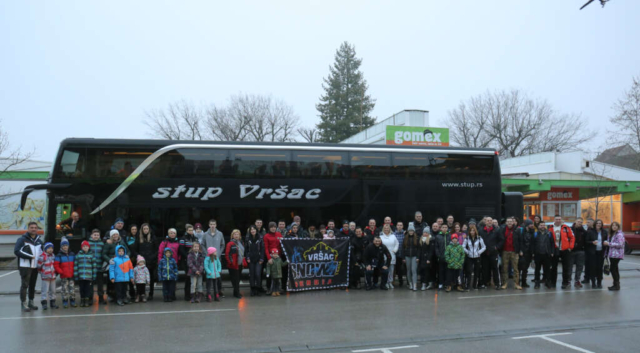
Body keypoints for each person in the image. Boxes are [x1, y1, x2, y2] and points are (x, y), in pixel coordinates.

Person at [14, 221, 43, 312]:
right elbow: (17, 251)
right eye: (32, 227)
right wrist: (30, 256)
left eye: (35, 227)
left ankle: (31, 302)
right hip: (25, 266)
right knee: (25, 285)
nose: (33, 229)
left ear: (37, 229)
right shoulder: (22, 239)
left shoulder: (39, 240)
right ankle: (24, 303)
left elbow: (42, 253)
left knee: (32, 285)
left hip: (35, 266)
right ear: (28, 229)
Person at [547, 215, 575, 289]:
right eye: (557, 219)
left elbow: (572, 237)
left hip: (565, 249)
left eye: (559, 219)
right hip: (554, 249)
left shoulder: (566, 227)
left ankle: (565, 283)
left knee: (566, 268)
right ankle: (553, 283)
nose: (558, 220)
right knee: (553, 268)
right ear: (554, 220)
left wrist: (570, 247)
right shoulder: (550, 227)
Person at [103, 229, 130, 301]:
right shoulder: (108, 243)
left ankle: (122, 295)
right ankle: (111, 295)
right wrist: (109, 260)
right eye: (113, 235)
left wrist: (127, 257)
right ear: (111, 236)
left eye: (116, 234)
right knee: (111, 280)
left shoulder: (121, 242)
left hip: (121, 264)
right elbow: (104, 254)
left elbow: (128, 251)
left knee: (122, 282)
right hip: (112, 264)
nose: (115, 236)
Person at [479, 217, 503, 290]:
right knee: (485, 269)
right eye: (488, 221)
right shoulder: (481, 230)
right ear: (485, 222)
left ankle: (497, 284)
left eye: (490, 221)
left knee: (495, 269)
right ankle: (484, 283)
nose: (489, 222)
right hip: (484, 253)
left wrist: (497, 247)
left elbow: (501, 240)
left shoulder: (497, 230)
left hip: (493, 253)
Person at [136, 223, 158, 301]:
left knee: (151, 279)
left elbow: (156, 250)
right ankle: (141, 294)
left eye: (147, 229)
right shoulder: (138, 238)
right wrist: (139, 257)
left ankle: (151, 293)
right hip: (141, 262)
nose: (145, 230)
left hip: (151, 261)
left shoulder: (153, 238)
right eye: (144, 229)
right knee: (140, 280)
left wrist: (152, 257)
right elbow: (136, 250)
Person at [500, 217, 522, 290]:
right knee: (504, 268)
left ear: (513, 222)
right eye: (508, 221)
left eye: (511, 221)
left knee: (515, 268)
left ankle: (516, 283)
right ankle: (504, 283)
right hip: (505, 251)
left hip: (514, 252)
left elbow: (520, 241)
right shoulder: (502, 230)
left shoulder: (517, 230)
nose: (509, 223)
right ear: (506, 222)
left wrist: (520, 250)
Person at [55, 237, 76, 308]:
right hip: (64, 275)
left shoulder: (72, 254)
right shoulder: (59, 255)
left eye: (66, 245)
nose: (65, 247)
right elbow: (56, 265)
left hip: (71, 275)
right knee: (64, 289)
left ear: (68, 246)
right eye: (63, 246)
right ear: (61, 247)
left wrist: (74, 271)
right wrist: (61, 272)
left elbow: (75, 263)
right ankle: (65, 301)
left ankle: (72, 300)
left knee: (72, 289)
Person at [74, 240, 97, 307]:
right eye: (84, 246)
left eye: (86, 246)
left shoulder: (91, 255)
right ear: (82, 247)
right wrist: (76, 275)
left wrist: (94, 275)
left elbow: (94, 266)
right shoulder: (78, 255)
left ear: (89, 247)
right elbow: (76, 266)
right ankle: (82, 300)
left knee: (88, 289)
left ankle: (87, 300)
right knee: (81, 289)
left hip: (88, 276)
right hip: (81, 276)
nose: (85, 247)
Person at [264, 222, 284, 294]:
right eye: (272, 227)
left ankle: (278, 289)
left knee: (278, 273)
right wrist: (269, 258)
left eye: (274, 227)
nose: (273, 228)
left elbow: (282, 244)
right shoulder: (266, 236)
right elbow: (266, 248)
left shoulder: (279, 234)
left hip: (278, 257)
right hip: (271, 257)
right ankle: (269, 288)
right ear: (269, 228)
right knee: (270, 274)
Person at [604, 221, 625, 291]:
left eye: (616, 225)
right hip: (612, 254)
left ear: (618, 227)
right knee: (615, 269)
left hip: (617, 254)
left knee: (613, 269)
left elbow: (620, 244)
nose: (614, 227)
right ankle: (616, 285)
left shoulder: (619, 234)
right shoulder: (611, 234)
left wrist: (609, 244)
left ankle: (616, 285)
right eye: (613, 225)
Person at [463, 225, 485, 290]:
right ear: (469, 232)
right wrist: (467, 252)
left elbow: (484, 247)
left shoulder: (479, 238)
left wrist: (479, 252)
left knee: (477, 271)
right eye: (471, 231)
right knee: (469, 271)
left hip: (477, 257)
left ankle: (475, 285)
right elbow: (463, 246)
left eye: (473, 231)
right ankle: (468, 285)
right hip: (469, 257)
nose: (472, 232)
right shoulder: (467, 238)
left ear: (475, 231)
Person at [180, 224, 198, 301]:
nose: (191, 231)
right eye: (189, 230)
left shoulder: (195, 238)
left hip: (195, 261)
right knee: (188, 278)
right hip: (186, 261)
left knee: (194, 278)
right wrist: (188, 257)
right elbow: (181, 250)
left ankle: (193, 294)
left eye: (192, 230)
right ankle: (187, 295)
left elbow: (197, 248)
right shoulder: (183, 239)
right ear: (186, 231)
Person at [532, 224, 554, 289]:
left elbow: (552, 243)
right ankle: (537, 283)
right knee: (537, 269)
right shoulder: (535, 234)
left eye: (543, 225)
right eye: (541, 225)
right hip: (538, 254)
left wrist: (552, 252)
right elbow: (532, 244)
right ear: (538, 226)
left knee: (547, 269)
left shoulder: (549, 233)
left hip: (546, 254)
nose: (542, 226)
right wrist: (533, 253)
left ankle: (548, 282)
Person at [38, 242, 58, 310]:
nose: (50, 250)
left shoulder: (53, 256)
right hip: (45, 276)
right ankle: (44, 303)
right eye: (49, 248)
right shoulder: (42, 256)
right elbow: (39, 266)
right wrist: (42, 272)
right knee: (45, 290)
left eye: (51, 248)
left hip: (52, 276)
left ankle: (53, 302)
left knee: (53, 290)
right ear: (45, 249)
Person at [246, 225, 265, 297]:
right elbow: (246, 249)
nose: (252, 231)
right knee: (252, 274)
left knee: (258, 274)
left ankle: (258, 288)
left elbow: (262, 249)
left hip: (258, 259)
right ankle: (252, 289)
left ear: (256, 230)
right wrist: (247, 257)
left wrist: (262, 258)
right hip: (251, 259)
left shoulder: (260, 238)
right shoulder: (248, 238)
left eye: (254, 229)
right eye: (251, 230)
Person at [87, 229, 105, 304]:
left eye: (97, 235)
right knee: (90, 284)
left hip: (99, 267)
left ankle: (101, 297)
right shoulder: (88, 243)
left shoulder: (102, 244)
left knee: (100, 284)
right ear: (91, 235)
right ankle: (90, 298)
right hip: (90, 268)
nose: (96, 236)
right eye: (95, 235)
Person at [226, 229, 245, 299]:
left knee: (238, 279)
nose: (236, 235)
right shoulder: (230, 244)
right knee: (235, 280)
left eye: (238, 234)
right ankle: (237, 293)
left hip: (240, 264)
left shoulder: (241, 242)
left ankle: (235, 292)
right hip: (233, 265)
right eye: (235, 234)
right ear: (232, 235)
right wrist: (231, 263)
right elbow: (227, 255)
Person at [380, 224, 399, 289]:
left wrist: (395, 250)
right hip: (384, 256)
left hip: (392, 255)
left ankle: (390, 282)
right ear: (383, 229)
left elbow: (397, 243)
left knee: (391, 270)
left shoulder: (393, 236)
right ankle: (385, 282)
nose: (386, 229)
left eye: (387, 228)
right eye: (385, 228)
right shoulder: (381, 236)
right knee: (385, 270)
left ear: (389, 229)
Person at [402, 223, 420, 291]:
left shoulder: (416, 238)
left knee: (414, 270)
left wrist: (418, 257)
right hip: (407, 256)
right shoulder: (405, 238)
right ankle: (410, 284)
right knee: (408, 270)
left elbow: (419, 248)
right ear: (408, 231)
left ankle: (415, 284)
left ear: (414, 231)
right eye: (410, 231)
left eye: (412, 231)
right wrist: (403, 257)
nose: (411, 232)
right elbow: (403, 248)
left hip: (414, 256)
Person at [518, 220, 535, 288]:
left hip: (529, 252)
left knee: (525, 268)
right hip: (522, 252)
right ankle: (518, 282)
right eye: (531, 224)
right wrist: (520, 250)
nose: (532, 225)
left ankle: (524, 282)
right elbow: (520, 241)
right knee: (520, 268)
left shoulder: (532, 231)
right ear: (528, 225)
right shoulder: (521, 231)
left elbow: (532, 242)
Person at [571, 217, 587, 288]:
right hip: (571, 251)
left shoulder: (583, 231)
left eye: (581, 222)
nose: (579, 223)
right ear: (575, 221)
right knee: (569, 267)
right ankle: (568, 281)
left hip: (581, 251)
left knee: (580, 267)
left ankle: (577, 280)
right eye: (578, 221)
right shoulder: (570, 229)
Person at [434, 223, 448, 289]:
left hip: (448, 257)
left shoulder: (449, 236)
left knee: (447, 271)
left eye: (446, 227)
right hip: (441, 257)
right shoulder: (438, 236)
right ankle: (441, 283)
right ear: (441, 228)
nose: (444, 229)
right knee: (440, 271)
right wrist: (438, 255)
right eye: (443, 227)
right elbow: (436, 247)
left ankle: (446, 283)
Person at [394, 221, 406, 287]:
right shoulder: (393, 234)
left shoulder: (405, 234)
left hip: (404, 254)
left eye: (401, 225)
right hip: (396, 254)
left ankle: (408, 282)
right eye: (398, 225)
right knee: (398, 269)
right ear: (396, 226)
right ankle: (400, 281)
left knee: (406, 268)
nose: (399, 226)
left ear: (403, 226)